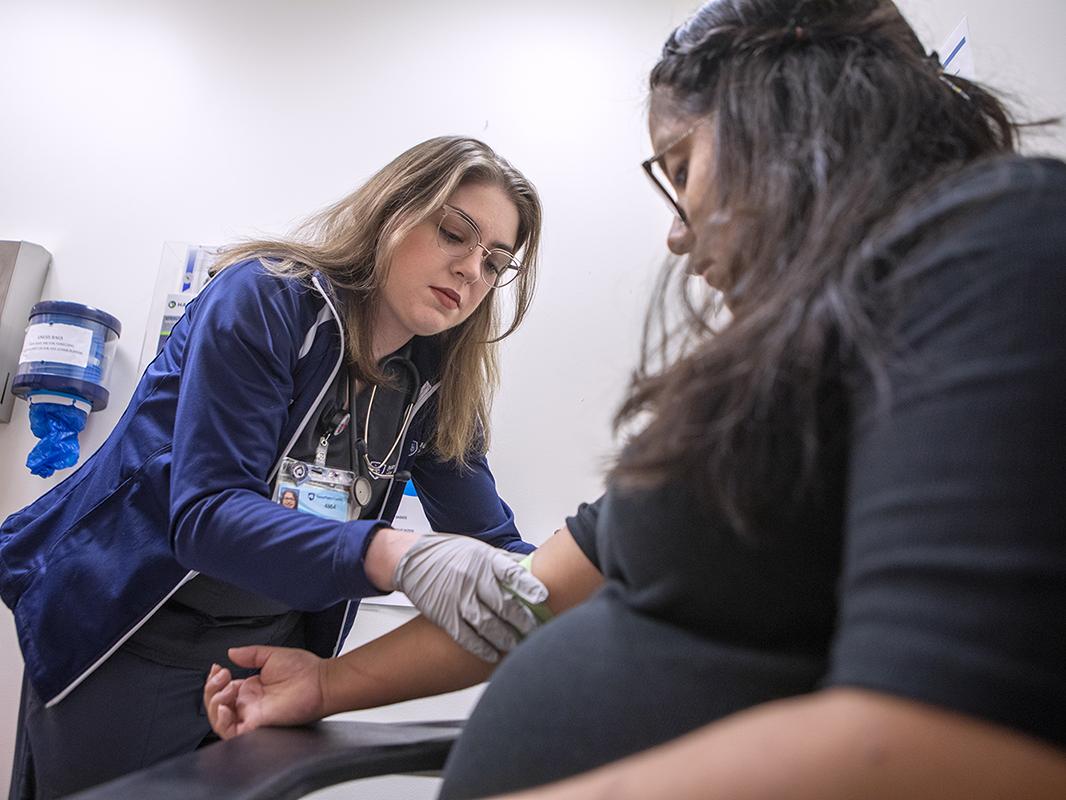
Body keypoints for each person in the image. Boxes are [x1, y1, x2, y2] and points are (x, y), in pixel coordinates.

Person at [204, 2, 1066, 798]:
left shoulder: (997, 243)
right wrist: (327, 681)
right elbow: (525, 601)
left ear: (787, 117)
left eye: (682, 167)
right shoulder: (791, 377)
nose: (678, 230)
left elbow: (966, 737)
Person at [0, 135, 551, 799]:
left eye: (495, 262)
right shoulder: (266, 298)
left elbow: (492, 540)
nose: (470, 271)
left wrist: (573, 595)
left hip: (265, 659)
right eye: (453, 233)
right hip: (133, 634)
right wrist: (397, 555)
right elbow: (208, 517)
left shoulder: (437, 380)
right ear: (391, 211)